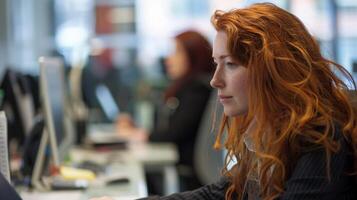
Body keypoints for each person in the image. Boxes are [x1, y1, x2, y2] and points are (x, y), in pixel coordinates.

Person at [92, 3, 357, 200]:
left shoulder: (320, 134)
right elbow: (222, 192)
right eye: (217, 63)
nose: (215, 80)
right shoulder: (270, 131)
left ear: (274, 71)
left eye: (230, 64)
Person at [117, 30, 215, 193]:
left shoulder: (197, 89)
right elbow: (168, 124)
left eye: (176, 52)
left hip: (188, 175)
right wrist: (137, 129)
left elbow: (174, 132)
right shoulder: (184, 87)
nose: (169, 58)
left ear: (193, 56)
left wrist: (139, 134)